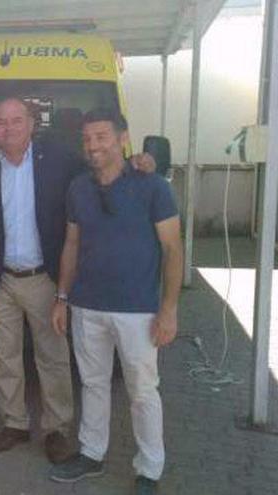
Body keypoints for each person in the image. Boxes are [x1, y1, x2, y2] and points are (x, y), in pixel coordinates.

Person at [48, 109, 181, 495]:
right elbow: (71, 245)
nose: (93, 146)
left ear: (123, 138)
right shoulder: (78, 188)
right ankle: (91, 454)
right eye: (88, 138)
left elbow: (173, 249)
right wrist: (61, 297)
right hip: (87, 305)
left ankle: (149, 469)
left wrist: (168, 310)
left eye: (102, 136)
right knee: (92, 383)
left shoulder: (153, 186)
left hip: (138, 310)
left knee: (142, 390)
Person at [0, 97, 80, 463]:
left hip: (43, 278)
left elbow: (100, 170)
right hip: (2, 281)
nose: (8, 128)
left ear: (32, 124)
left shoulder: (58, 161)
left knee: (52, 357)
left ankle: (58, 429)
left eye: (16, 121)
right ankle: (14, 423)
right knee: (6, 357)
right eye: (0, 122)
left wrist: (140, 165)